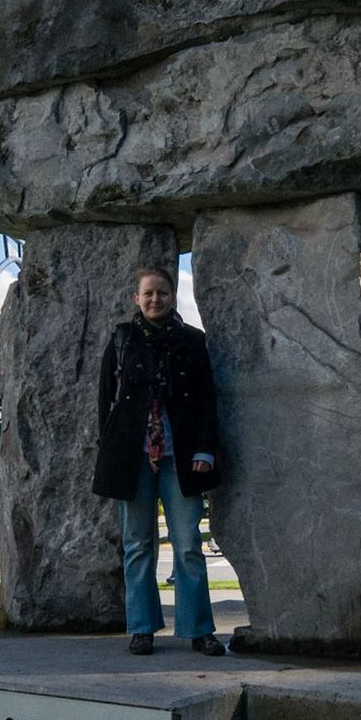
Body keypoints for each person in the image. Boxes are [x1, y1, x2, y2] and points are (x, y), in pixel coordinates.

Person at [93, 266, 227, 657]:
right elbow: (106, 404)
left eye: (162, 293)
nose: (155, 300)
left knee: (188, 545)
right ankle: (142, 628)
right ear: (137, 298)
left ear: (173, 297)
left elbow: (207, 400)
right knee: (138, 545)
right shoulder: (121, 340)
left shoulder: (192, 341)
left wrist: (205, 448)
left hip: (181, 458)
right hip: (133, 458)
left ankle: (199, 630)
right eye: (148, 293)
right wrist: (111, 454)